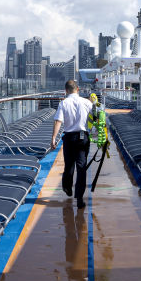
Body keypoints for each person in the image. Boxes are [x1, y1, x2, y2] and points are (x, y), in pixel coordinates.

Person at [50, 79, 93, 208]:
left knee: (69, 165)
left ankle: (67, 187)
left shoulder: (63, 103)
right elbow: (94, 118)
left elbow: (58, 121)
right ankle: (79, 198)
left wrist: (53, 138)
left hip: (69, 138)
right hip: (82, 137)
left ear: (66, 91)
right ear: (77, 89)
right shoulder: (87, 102)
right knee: (81, 167)